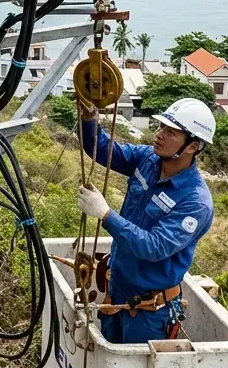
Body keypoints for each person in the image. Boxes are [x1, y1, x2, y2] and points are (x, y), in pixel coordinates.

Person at [75, 97, 216, 344]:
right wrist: (89, 120)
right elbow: (104, 151)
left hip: (149, 312)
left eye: (170, 132)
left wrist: (105, 214)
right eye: (161, 127)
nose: (159, 135)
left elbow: (154, 247)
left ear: (192, 147)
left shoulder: (195, 202)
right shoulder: (148, 160)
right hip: (117, 289)